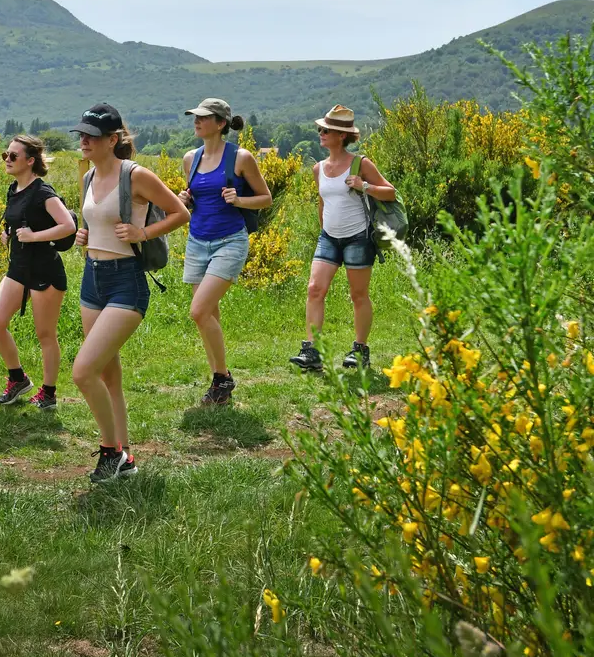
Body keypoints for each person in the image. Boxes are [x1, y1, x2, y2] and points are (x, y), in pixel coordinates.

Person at [70, 104, 189, 483]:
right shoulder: (87, 176)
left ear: (113, 139)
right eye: (82, 134)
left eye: (91, 135)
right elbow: (94, 220)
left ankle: (111, 452)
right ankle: (126, 458)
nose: (84, 140)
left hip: (126, 281)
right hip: (92, 278)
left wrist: (143, 233)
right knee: (107, 376)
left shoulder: (136, 175)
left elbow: (180, 213)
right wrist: (83, 236)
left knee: (83, 371)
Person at [179, 98, 273, 406]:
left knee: (198, 311)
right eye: (195, 116)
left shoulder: (241, 158)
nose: (196, 121)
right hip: (197, 241)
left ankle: (222, 379)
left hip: (230, 241)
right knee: (208, 314)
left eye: (203, 118)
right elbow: (197, 200)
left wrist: (239, 200)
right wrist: (186, 199)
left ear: (220, 124)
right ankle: (220, 383)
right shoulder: (189, 158)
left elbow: (265, 199)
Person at [289, 104, 396, 372]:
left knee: (358, 295)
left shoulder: (361, 164)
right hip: (328, 238)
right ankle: (312, 351)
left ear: (340, 135)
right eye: (320, 129)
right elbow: (322, 202)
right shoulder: (318, 168)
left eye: (326, 130)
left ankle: (360, 350)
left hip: (358, 237)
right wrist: (324, 227)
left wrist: (365, 186)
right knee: (315, 289)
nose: (320, 133)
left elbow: (390, 193)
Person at [0, 134, 77, 410]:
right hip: (19, 268)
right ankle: (18, 378)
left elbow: (67, 226)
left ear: (30, 160)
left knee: (45, 334)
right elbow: (19, 223)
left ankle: (48, 392)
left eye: (14, 155)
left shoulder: (43, 192)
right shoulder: (13, 189)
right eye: (6, 154)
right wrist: (9, 234)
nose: (8, 159)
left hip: (45, 271)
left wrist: (33, 236)